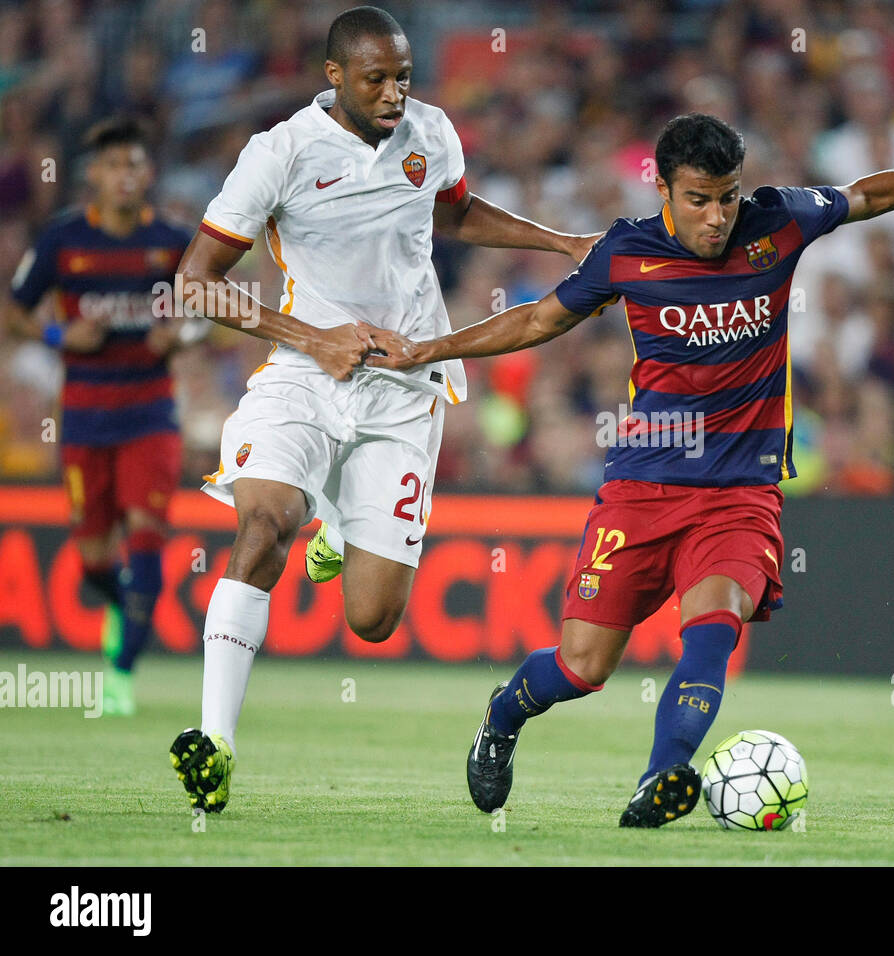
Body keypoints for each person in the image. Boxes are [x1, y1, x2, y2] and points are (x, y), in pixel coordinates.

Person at [365, 111, 894, 826]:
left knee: (713, 626)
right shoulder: (626, 252)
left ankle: (661, 778)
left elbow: (865, 196)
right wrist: (427, 350)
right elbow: (537, 320)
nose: (718, 217)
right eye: (699, 199)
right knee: (582, 668)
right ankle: (502, 717)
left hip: (740, 493)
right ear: (660, 186)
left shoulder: (777, 221)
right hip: (641, 491)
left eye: (727, 197)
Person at [167, 5, 596, 813]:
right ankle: (216, 742)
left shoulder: (430, 132)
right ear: (334, 76)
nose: (395, 92)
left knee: (371, 620)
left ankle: (337, 525)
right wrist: (313, 336)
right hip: (302, 368)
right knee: (263, 523)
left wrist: (561, 244)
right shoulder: (280, 152)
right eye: (377, 79)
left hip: (403, 385)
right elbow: (192, 282)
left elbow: (458, 214)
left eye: (402, 75)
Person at [5, 116, 194, 716]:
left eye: (134, 165)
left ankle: (121, 671)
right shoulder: (63, 242)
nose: (124, 176)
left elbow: (213, 307)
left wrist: (181, 336)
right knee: (93, 560)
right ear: (93, 174)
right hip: (85, 416)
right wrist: (60, 332)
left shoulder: (171, 242)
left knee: (145, 537)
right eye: (113, 165)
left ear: (148, 174)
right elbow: (13, 311)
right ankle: (130, 606)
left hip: (150, 414)